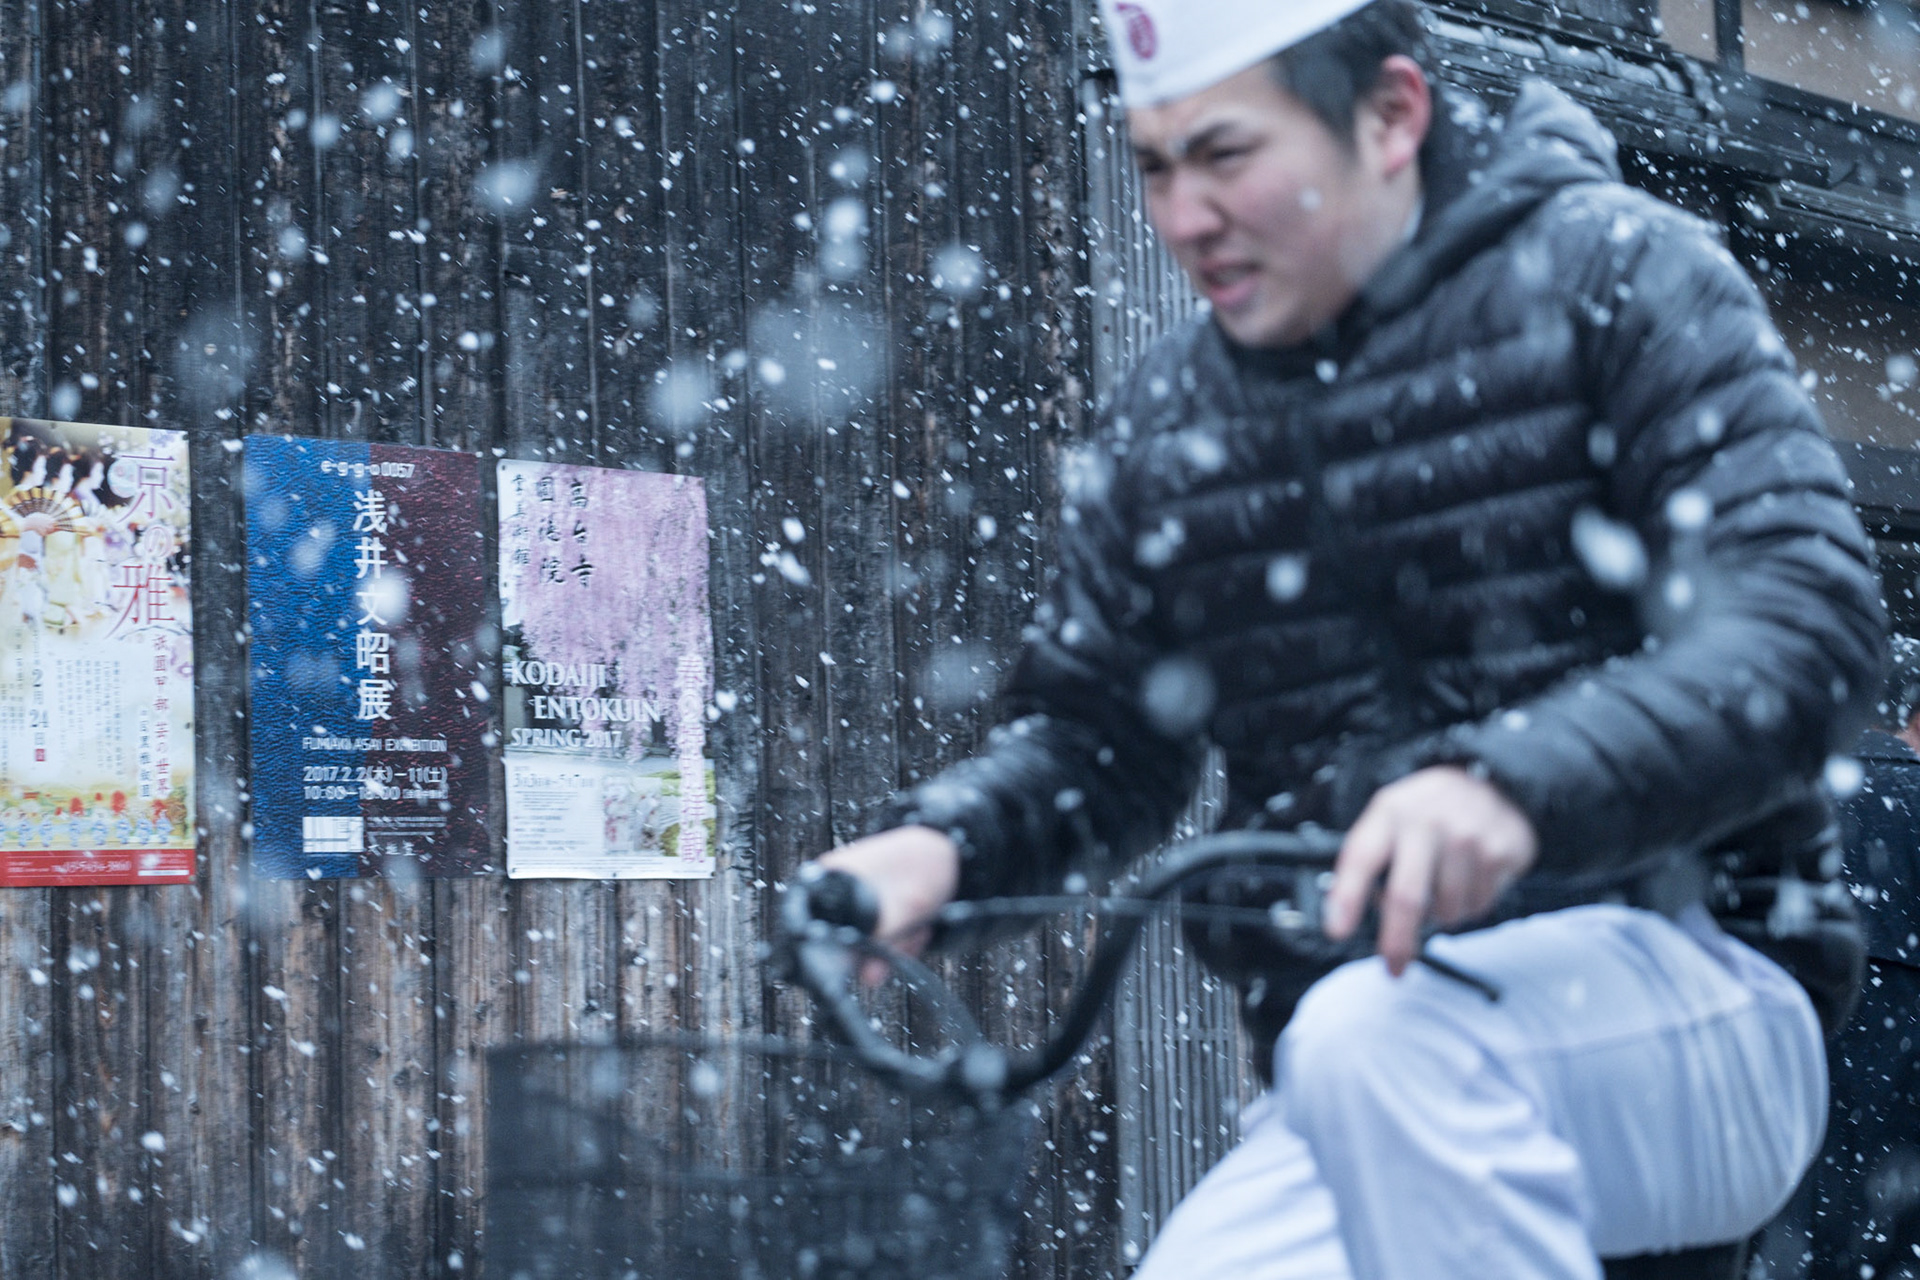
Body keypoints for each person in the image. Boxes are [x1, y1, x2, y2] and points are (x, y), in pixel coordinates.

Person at [812, 0, 1887, 1275]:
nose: (1183, 213)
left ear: (1391, 115)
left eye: (1224, 155)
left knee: (1375, 1042)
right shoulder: (1168, 426)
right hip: (1366, 1047)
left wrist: (1515, 786)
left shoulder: (1622, 277)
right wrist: (947, 844)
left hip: (1704, 994)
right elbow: (1104, 740)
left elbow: (1802, 618)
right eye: (1153, 165)